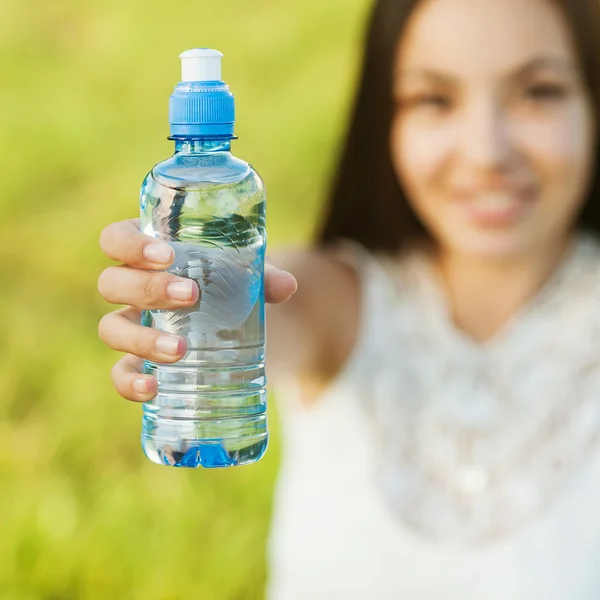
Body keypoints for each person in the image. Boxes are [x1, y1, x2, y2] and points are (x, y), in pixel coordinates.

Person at [97, 0, 600, 597]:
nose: (486, 152)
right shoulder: (342, 298)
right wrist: (189, 304)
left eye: (538, 91)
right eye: (435, 99)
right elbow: (276, 313)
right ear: (383, 119)